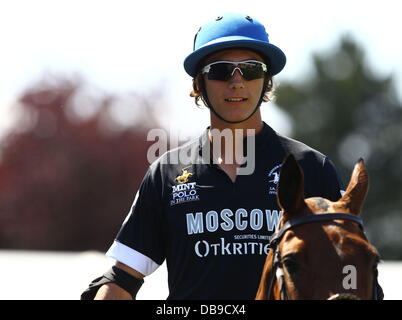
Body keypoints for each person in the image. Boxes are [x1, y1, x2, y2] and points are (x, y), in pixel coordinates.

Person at [81, 12, 345, 300]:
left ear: (266, 80)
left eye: (251, 69)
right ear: (199, 84)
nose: (237, 81)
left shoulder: (313, 168)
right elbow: (123, 279)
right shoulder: (166, 173)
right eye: (220, 71)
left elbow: (351, 274)